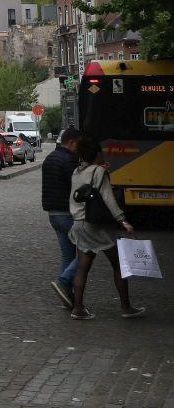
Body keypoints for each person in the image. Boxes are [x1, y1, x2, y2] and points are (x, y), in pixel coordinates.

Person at [68, 136, 143, 321]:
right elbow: (108, 198)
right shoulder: (98, 172)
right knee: (119, 265)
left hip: (79, 224)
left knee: (82, 268)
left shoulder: (76, 172)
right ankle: (126, 307)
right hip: (96, 227)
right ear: (97, 154)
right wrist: (122, 220)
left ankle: (77, 308)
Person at [41, 127, 81, 308]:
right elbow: (75, 186)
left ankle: (66, 296)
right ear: (71, 142)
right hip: (67, 212)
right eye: (78, 145)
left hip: (53, 214)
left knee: (67, 254)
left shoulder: (50, 158)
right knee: (88, 250)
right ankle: (63, 282)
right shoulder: (69, 160)